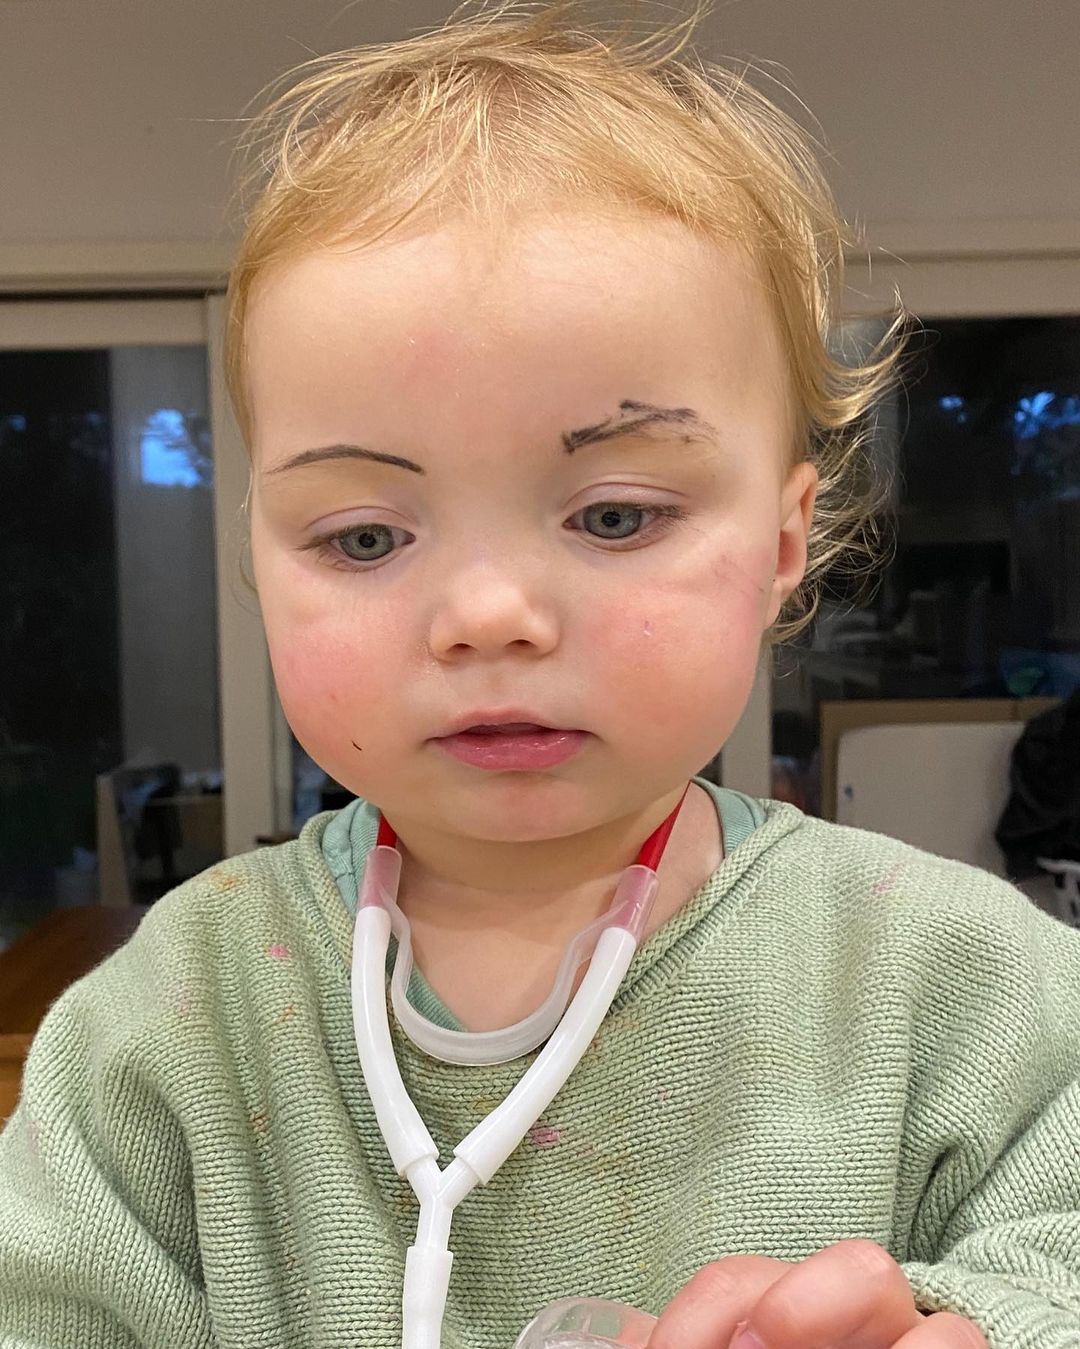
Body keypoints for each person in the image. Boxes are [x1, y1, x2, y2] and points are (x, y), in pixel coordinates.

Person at [1, 3, 1078, 1345]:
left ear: (782, 543)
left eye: (615, 514)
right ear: (259, 562)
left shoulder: (966, 985)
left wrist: (980, 1328)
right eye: (365, 536)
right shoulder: (168, 1022)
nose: (488, 617)